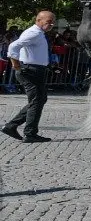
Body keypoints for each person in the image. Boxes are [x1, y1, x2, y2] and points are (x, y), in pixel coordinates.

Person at [3, 10, 56, 142]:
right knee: (37, 101)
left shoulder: (38, 33)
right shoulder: (34, 33)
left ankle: (12, 126)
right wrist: (15, 64)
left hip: (35, 70)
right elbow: (13, 46)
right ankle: (30, 133)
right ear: (38, 20)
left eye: (53, 22)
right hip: (30, 71)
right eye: (49, 22)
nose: (51, 25)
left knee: (39, 100)